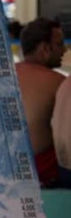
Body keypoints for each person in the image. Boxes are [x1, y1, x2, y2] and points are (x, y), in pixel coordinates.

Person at [15, 17, 66, 187]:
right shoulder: (58, 82)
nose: (64, 50)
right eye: (59, 44)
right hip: (42, 177)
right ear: (45, 48)